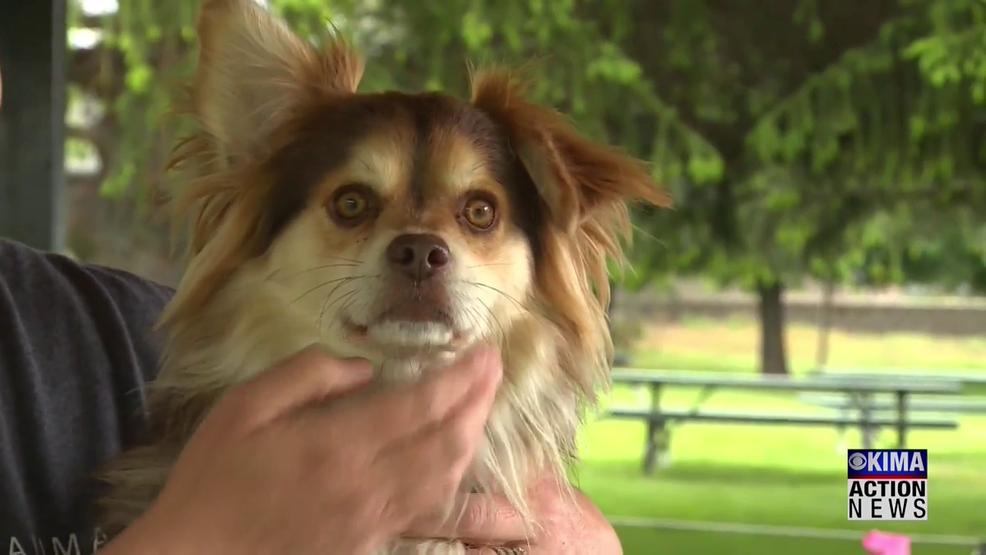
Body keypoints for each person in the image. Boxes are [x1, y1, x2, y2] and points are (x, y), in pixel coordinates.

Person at [0, 59, 622, 554]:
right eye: (352, 205)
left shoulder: (120, 331)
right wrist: (212, 540)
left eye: (479, 213)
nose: (422, 245)